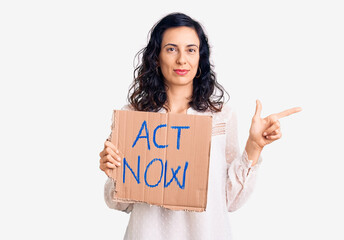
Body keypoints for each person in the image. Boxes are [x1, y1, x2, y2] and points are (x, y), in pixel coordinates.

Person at [99, 12, 301, 240]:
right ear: (156, 57)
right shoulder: (133, 117)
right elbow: (118, 204)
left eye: (191, 50)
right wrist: (115, 173)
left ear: (200, 58)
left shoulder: (221, 117)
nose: (182, 60)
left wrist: (254, 147)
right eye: (171, 49)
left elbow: (229, 201)